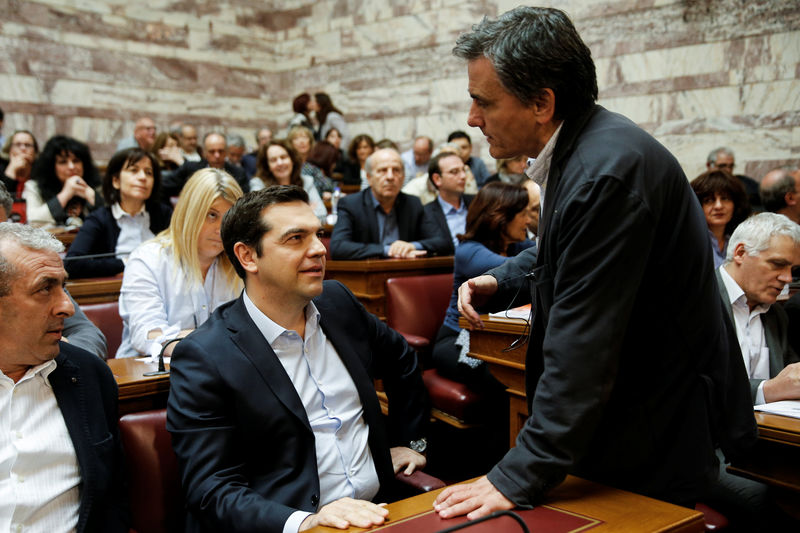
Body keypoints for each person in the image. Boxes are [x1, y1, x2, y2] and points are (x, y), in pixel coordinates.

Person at [434, 6, 755, 518]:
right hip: (624, 420)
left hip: (650, 431)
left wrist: (521, 470)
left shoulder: (605, 172)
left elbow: (583, 344)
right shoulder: (589, 148)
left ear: (541, 102)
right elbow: (566, 247)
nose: (472, 119)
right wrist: (503, 278)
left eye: (482, 102)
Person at [167, 185, 429, 533]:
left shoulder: (338, 303)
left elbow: (403, 362)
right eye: (296, 238)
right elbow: (211, 489)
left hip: (383, 512)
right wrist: (306, 522)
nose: (320, 249)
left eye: (318, 234)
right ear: (248, 257)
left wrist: (411, 442)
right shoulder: (205, 354)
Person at [0, 222, 127, 531]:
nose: (67, 307)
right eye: (45, 288)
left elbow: (112, 502)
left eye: (63, 287)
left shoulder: (89, 377)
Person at [710, 212, 800, 529]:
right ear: (739, 253)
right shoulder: (698, 301)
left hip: (766, 443)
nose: (788, 278)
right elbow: (689, 389)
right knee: (767, 498)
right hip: (705, 448)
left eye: (793, 269)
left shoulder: (776, 316)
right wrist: (766, 389)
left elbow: (790, 380)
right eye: (777, 265)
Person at [116, 168, 243, 358]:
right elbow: (149, 336)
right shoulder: (147, 259)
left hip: (222, 374)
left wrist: (188, 338)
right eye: (212, 215)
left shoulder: (239, 264)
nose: (221, 229)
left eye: (229, 218)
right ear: (189, 213)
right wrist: (218, 340)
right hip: (150, 380)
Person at [433, 182, 535, 385]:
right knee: (503, 377)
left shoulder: (517, 246)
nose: (528, 220)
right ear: (501, 218)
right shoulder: (468, 250)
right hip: (458, 339)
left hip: (498, 337)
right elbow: (518, 269)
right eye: (523, 214)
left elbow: (539, 257)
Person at [0, 195, 108, 358]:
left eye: (4, 229)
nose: (66, 308)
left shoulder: (39, 276)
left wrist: (60, 355)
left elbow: (88, 334)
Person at [64, 148, 172, 279]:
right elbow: (72, 263)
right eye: (134, 170)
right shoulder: (99, 219)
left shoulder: (164, 214)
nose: (143, 177)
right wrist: (126, 263)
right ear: (116, 181)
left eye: (148, 173)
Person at [329, 148, 449, 259]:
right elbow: (338, 247)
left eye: (396, 170)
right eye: (382, 170)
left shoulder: (413, 203)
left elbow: (443, 242)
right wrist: (388, 250)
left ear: (403, 177)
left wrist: (411, 246)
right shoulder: (351, 204)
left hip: (405, 273)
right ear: (369, 177)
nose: (390, 177)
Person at [25, 135, 102, 226]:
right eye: (63, 162)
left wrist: (89, 193)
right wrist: (66, 194)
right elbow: (33, 221)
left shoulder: (97, 186)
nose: (71, 167)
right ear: (51, 166)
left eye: (76, 161)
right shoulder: (34, 187)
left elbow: (114, 220)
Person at [249, 139, 327, 220]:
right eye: (273, 160)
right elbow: (257, 218)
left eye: (283, 157)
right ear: (267, 166)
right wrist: (304, 209)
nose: (280, 163)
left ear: (292, 160)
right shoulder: (258, 184)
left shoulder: (306, 181)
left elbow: (322, 215)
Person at [691, 169, 751, 268]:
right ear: (698, 205)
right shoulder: (692, 242)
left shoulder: (742, 240)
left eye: (725, 198)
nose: (718, 206)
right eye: (709, 200)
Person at [162, 132, 249, 198]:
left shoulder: (238, 173)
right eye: (212, 151)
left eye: (220, 151)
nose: (217, 155)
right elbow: (163, 186)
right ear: (204, 153)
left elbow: (244, 201)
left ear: (226, 152)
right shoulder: (190, 169)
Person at [423, 151, 474, 253]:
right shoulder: (426, 213)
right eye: (455, 172)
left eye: (464, 170)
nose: (463, 176)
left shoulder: (477, 202)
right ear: (437, 179)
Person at [706, 147, 761, 211]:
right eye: (722, 166)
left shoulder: (745, 183)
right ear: (709, 165)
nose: (728, 170)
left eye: (731, 166)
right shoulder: (702, 185)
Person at [288, 125, 333, 197]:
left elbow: (328, 186)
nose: (301, 141)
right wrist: (322, 194)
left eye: (305, 137)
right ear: (290, 143)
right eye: (296, 138)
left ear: (310, 141)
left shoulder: (311, 166)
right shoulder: (288, 165)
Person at [1, 130, 38, 200]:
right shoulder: (1, 169)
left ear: (35, 151)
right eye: (18, 144)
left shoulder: (41, 174)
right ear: (9, 150)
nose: (23, 148)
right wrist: (11, 170)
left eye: (28, 145)